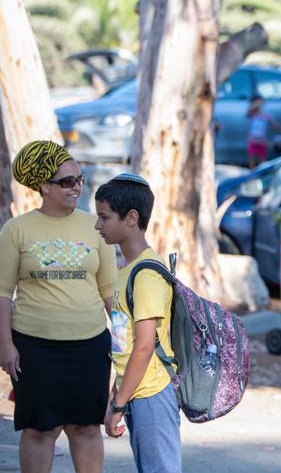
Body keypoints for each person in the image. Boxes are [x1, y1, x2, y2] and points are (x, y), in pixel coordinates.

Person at [0, 140, 115, 473]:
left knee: (86, 427)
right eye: (67, 181)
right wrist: (5, 345)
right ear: (43, 187)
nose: (77, 187)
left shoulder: (95, 225)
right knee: (40, 430)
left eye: (80, 178)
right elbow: (3, 291)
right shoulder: (16, 230)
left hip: (90, 346)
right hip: (35, 348)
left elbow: (109, 291)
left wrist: (125, 343)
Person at [94, 173, 181, 473]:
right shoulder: (125, 272)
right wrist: (115, 398)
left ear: (131, 218)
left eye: (104, 217)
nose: (98, 225)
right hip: (135, 393)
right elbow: (124, 342)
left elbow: (144, 347)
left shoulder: (147, 274)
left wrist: (119, 403)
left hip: (152, 394)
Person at [246, 95, 281, 168]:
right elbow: (248, 113)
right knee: (251, 157)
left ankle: (262, 173)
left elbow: (275, 125)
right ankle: (251, 173)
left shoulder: (265, 116)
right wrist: (255, 104)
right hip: (252, 141)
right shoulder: (252, 114)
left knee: (263, 159)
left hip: (262, 141)